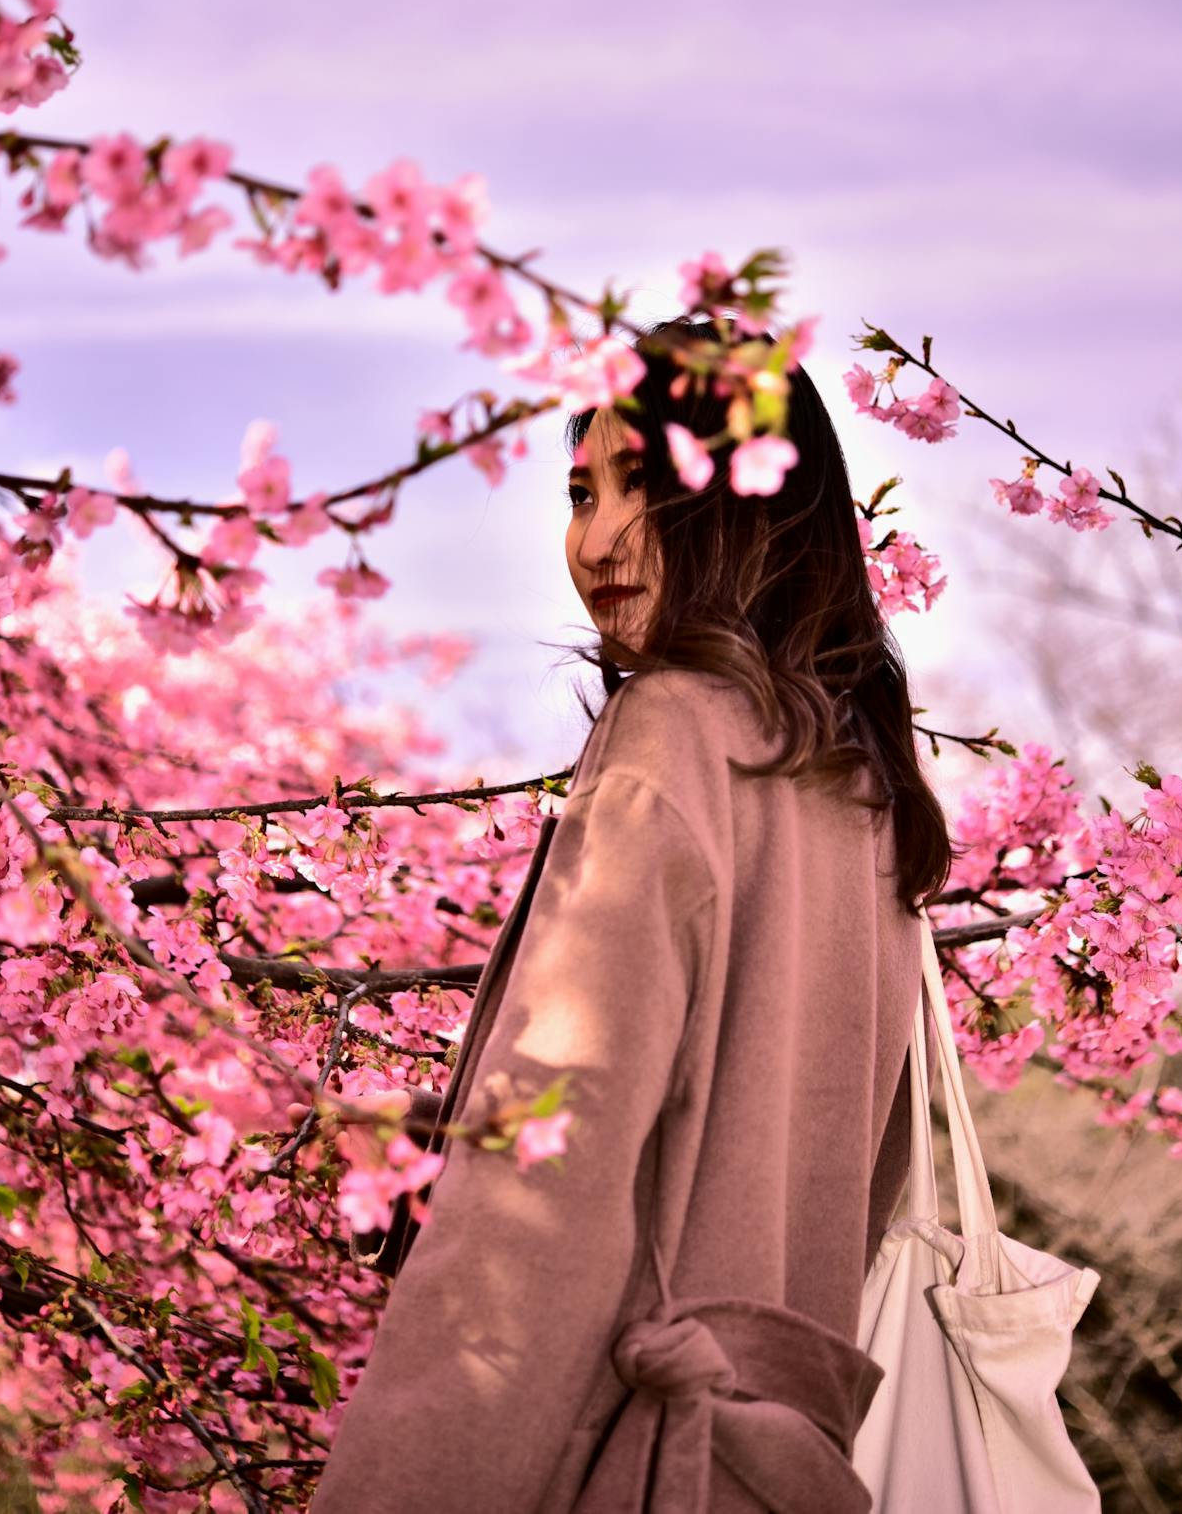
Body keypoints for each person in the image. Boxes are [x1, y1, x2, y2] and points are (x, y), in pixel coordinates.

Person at [312, 313, 952, 1513]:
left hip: (623, 1456)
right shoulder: (865, 788)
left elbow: (543, 1192)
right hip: (773, 1470)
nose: (597, 538)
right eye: (578, 490)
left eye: (645, 488)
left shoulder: (671, 732)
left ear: (752, 504)